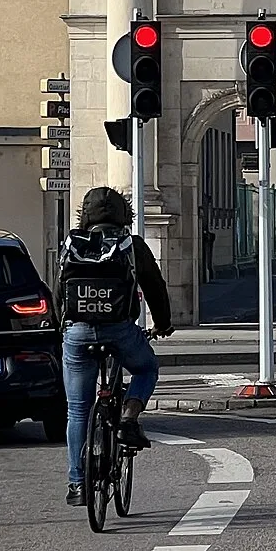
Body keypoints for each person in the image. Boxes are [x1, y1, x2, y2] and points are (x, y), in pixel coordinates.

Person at [57, 185, 173, 507]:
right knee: (146, 368)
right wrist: (163, 324)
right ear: (126, 216)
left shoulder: (71, 244)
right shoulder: (131, 245)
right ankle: (128, 417)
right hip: (120, 331)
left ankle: (77, 483)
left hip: (78, 334)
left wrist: (62, 329)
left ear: (85, 216)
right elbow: (155, 287)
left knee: (77, 410)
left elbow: (58, 291)